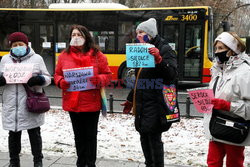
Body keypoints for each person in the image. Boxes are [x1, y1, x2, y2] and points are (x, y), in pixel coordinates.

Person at [121, 18, 178, 167]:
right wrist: (130, 100)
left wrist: (159, 60)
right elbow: (139, 78)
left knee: (154, 139)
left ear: (151, 34)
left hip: (156, 103)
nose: (138, 35)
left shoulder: (165, 49)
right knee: (143, 136)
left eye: (142, 32)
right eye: (137, 32)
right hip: (142, 103)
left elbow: (171, 75)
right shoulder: (140, 49)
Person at [54, 25, 112, 167]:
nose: (76, 37)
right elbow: (57, 75)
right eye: (73, 35)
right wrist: (61, 81)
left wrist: (99, 79)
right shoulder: (63, 56)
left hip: (91, 103)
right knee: (78, 136)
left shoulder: (98, 55)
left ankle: (90, 163)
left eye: (79, 35)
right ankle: (81, 162)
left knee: (91, 136)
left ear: (86, 37)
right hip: (72, 103)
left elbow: (108, 75)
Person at [0, 32, 51, 167]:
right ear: (11, 46)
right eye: (15, 45)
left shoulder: (37, 59)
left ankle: (38, 161)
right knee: (13, 135)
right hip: (12, 104)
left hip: (30, 102)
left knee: (34, 133)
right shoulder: (5, 59)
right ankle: (14, 161)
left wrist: (39, 79)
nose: (18, 47)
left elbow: (47, 78)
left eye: (20, 44)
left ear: (26, 44)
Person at [204, 32, 250, 167]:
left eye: (220, 48)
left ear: (232, 50)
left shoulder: (245, 72)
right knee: (213, 163)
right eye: (216, 48)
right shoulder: (218, 68)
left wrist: (228, 105)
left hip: (235, 128)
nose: (217, 52)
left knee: (234, 163)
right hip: (215, 125)